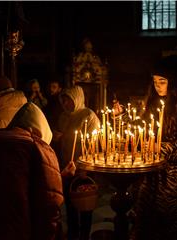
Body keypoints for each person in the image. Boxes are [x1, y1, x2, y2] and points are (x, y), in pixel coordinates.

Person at [0, 101, 76, 240]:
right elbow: (48, 204)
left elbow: (17, 180)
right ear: (37, 131)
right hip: (18, 229)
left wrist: (59, 176)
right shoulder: (38, 148)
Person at [130, 56, 177, 240]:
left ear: (174, 81)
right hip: (149, 177)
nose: (158, 86)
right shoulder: (152, 105)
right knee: (144, 224)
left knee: (170, 228)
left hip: (174, 181)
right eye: (155, 81)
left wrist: (162, 148)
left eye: (162, 81)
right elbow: (142, 130)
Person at [53, 85, 100, 240]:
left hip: (83, 167)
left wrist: (85, 167)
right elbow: (63, 138)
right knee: (70, 204)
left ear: (77, 99)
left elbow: (95, 142)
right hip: (66, 166)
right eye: (63, 100)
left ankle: (84, 235)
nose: (65, 104)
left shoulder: (88, 116)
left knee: (85, 203)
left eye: (69, 100)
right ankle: (73, 234)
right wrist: (58, 137)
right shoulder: (63, 117)